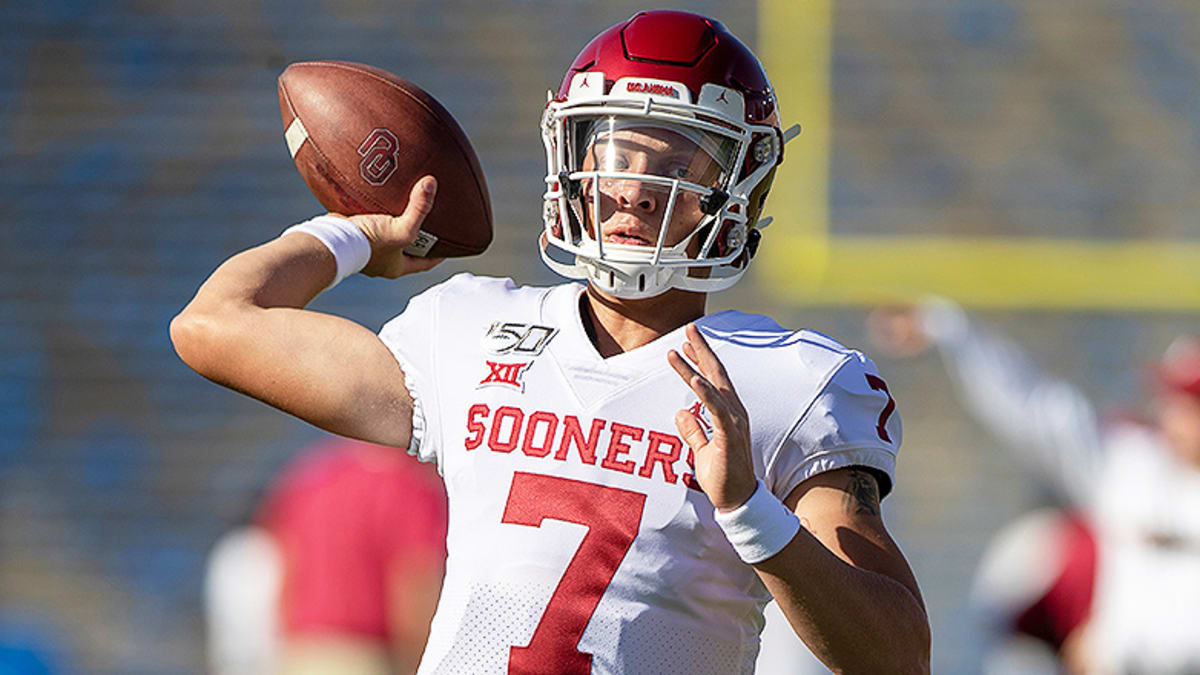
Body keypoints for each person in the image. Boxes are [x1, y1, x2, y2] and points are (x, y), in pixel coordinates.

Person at [173, 10, 930, 673]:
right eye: (617, 154)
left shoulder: (790, 381)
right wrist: (356, 235)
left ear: (737, 191)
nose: (634, 187)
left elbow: (898, 656)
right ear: (572, 159)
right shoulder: (468, 332)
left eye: (676, 163)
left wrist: (749, 507)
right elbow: (214, 326)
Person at [868, 298, 1200, 674]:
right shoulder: (1131, 463)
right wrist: (952, 328)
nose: (1177, 413)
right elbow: (1034, 406)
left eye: (1191, 402)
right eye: (1176, 398)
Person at [205, 437, 447, 675]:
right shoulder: (407, 486)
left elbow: (278, 565)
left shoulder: (311, 475)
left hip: (297, 655)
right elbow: (415, 591)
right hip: (363, 659)